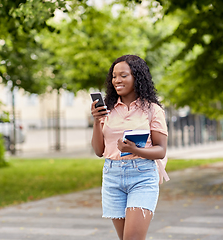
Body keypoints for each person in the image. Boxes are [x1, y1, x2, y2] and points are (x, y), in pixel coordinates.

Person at [91, 55, 168, 240]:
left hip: (142, 176)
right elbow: (99, 151)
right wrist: (96, 120)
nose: (117, 80)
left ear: (137, 77)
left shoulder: (152, 110)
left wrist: (135, 150)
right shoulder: (107, 110)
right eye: (114, 76)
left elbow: (161, 150)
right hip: (112, 177)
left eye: (123, 75)